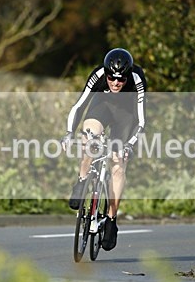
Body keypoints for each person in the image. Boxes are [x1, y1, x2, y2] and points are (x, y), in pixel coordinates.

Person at [61, 48, 147, 250]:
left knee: (118, 164)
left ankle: (110, 218)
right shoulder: (98, 74)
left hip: (126, 115)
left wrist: (129, 145)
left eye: (121, 80)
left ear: (128, 76)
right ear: (106, 73)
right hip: (102, 107)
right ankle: (82, 180)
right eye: (111, 78)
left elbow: (142, 121)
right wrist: (69, 133)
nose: (116, 83)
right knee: (89, 137)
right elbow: (79, 106)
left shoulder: (137, 78)